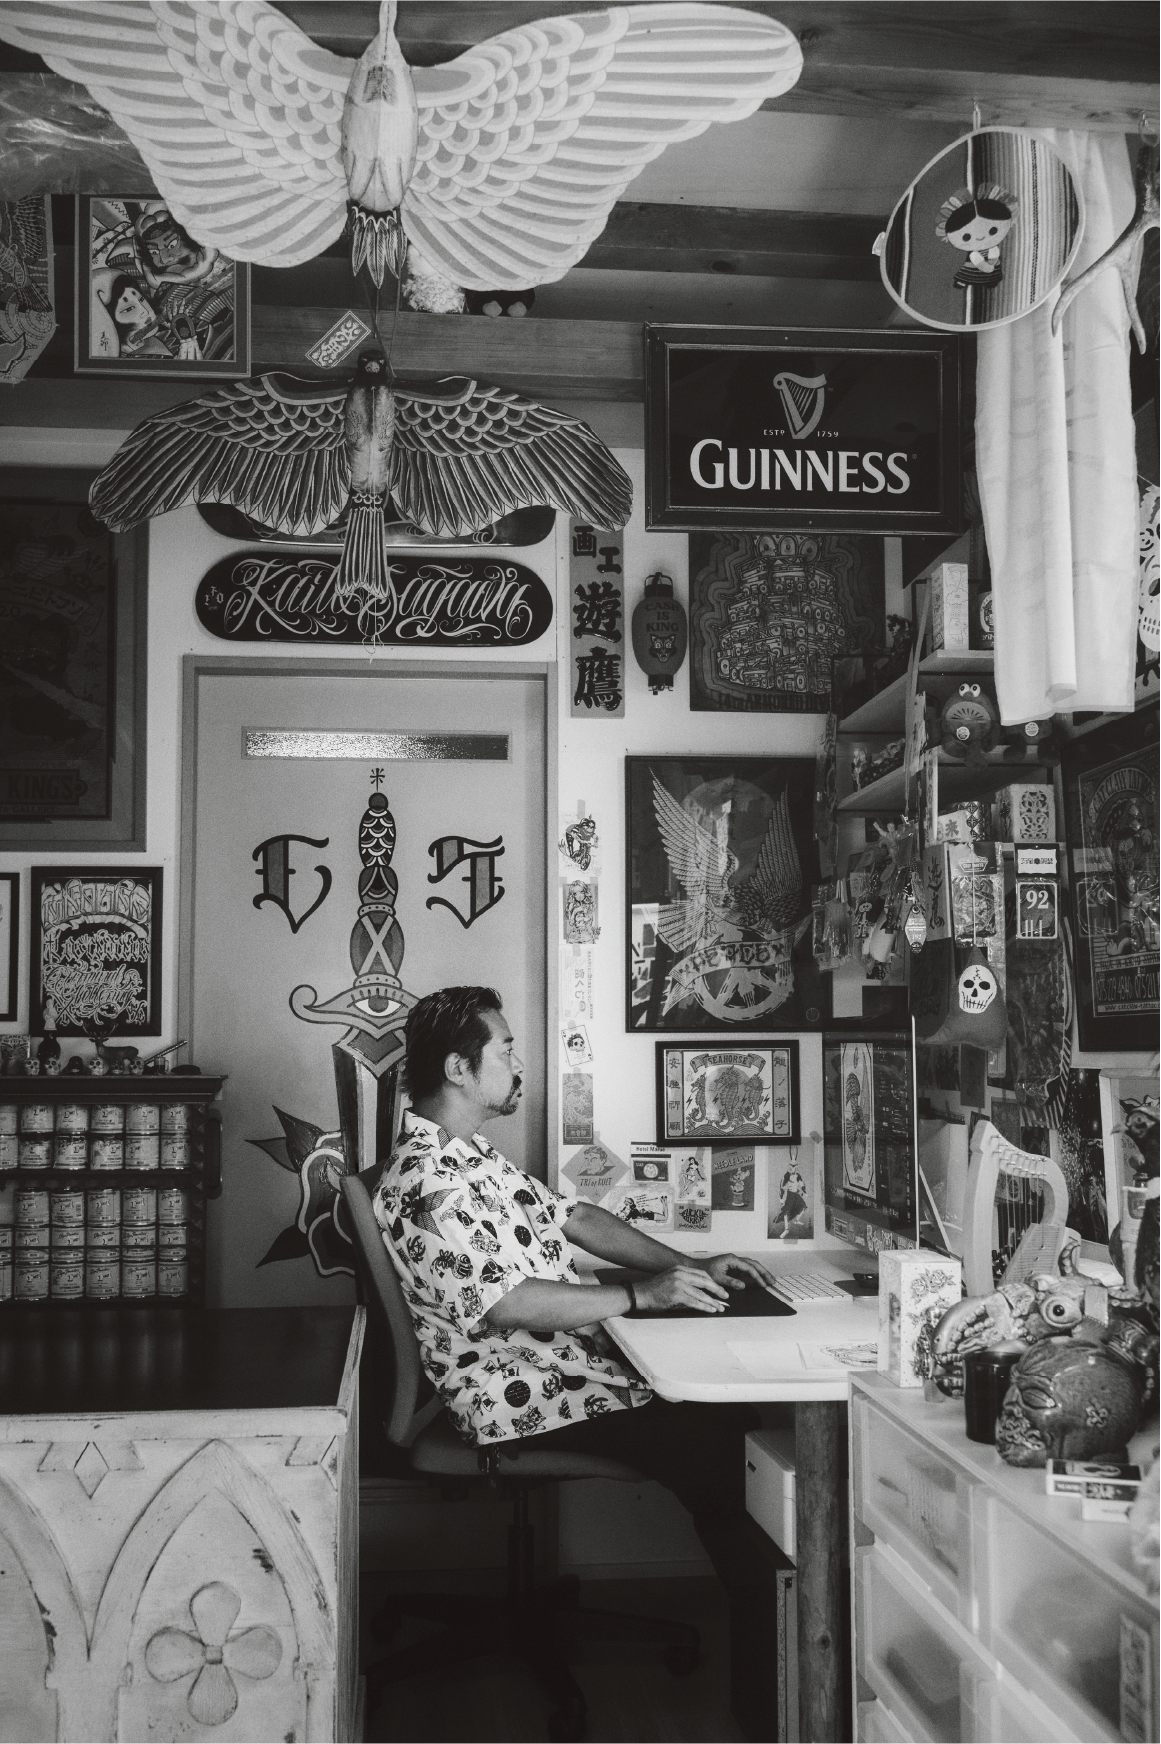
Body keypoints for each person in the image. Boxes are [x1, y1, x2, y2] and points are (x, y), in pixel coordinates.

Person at [374, 985, 776, 1588]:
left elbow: (576, 1217)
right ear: (459, 1069)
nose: (518, 1065)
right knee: (719, 1455)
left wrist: (689, 1265)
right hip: (515, 1388)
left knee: (736, 1421)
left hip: (558, 1360)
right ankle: (771, 1642)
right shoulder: (431, 1184)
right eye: (505, 1050)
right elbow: (507, 1303)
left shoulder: (468, 1155)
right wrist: (642, 1296)